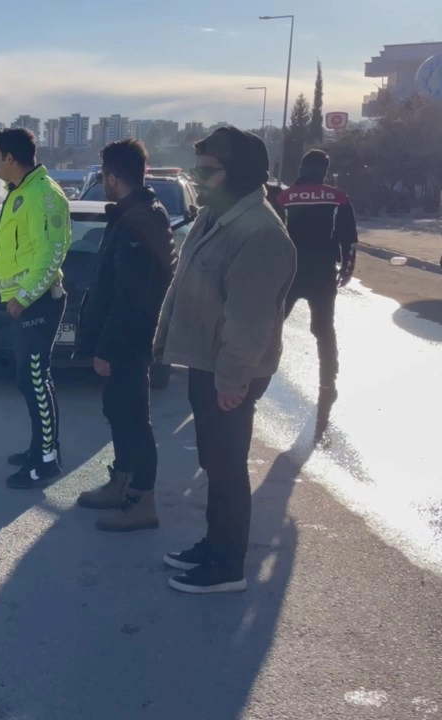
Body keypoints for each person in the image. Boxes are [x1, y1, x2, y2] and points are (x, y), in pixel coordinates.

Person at [154, 126, 296, 594]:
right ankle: (214, 544)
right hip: (208, 363)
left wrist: (233, 381)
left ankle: (227, 566)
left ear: (238, 174)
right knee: (215, 464)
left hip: (229, 372)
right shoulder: (215, 216)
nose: (197, 179)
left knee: (228, 468)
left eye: (207, 171)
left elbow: (249, 321)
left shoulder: (260, 233)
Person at [74, 138, 175, 531]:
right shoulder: (136, 214)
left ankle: (141, 499)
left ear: (113, 177)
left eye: (104, 176)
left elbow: (131, 296)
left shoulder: (139, 220)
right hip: (130, 338)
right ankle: (122, 482)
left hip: (130, 341)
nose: (103, 183)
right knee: (119, 412)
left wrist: (107, 348)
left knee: (133, 419)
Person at [0, 127, 70, 489]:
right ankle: (41, 447)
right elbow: (23, 246)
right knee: (30, 379)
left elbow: (52, 252)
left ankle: (46, 461)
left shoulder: (44, 194)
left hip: (39, 301)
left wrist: (24, 297)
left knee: (35, 379)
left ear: (10, 158)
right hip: (26, 302)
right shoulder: (20, 193)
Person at [274, 149, 358, 442]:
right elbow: (349, 239)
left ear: (301, 168)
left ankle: (255, 370)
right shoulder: (338, 198)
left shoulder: (284, 197)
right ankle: (328, 381)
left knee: (273, 323)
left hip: (290, 271)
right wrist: (347, 270)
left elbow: (271, 236)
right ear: (325, 170)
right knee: (324, 329)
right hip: (322, 274)